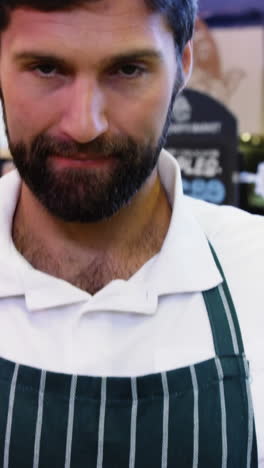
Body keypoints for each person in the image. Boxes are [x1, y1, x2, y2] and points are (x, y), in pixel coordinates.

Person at [0, 0, 263, 466]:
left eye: (126, 69)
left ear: (183, 65)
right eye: (45, 69)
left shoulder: (254, 270)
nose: (84, 125)